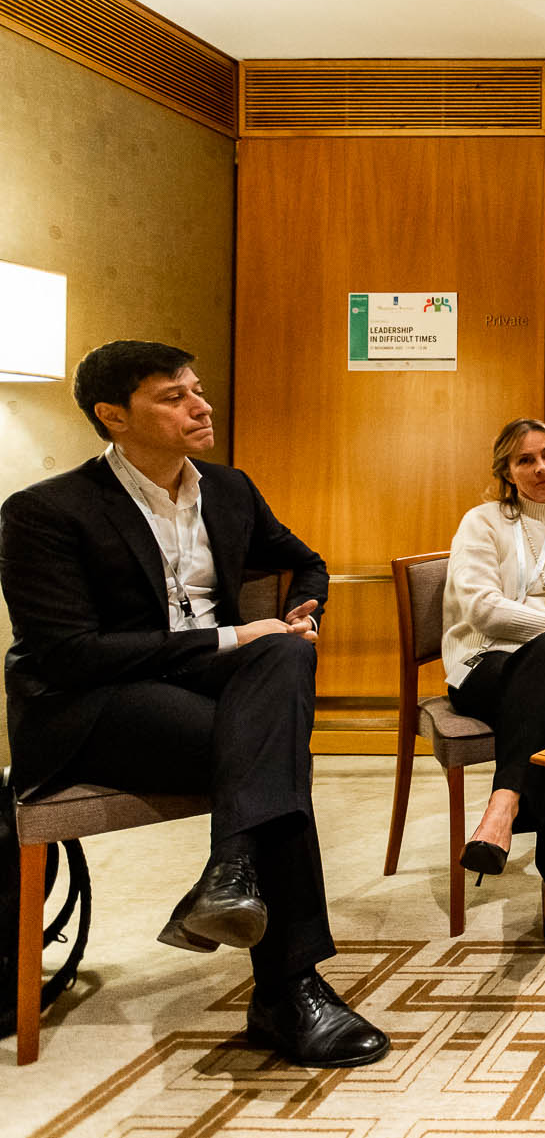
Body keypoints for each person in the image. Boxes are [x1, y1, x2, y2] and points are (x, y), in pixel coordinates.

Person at [0, 340, 387, 1068]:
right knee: (270, 748)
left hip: (203, 686)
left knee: (286, 655)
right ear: (114, 415)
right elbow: (69, 655)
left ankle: (231, 873)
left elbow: (306, 560)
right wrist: (234, 634)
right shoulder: (45, 510)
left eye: (198, 390)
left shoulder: (228, 489)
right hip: (92, 705)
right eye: (174, 396)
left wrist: (303, 607)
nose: (201, 406)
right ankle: (287, 988)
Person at [442, 418, 545, 944]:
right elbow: (482, 610)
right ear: (507, 473)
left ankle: (504, 803)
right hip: (486, 664)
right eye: (525, 460)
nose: (541, 467)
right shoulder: (482, 523)